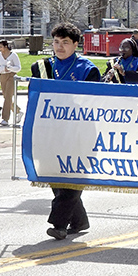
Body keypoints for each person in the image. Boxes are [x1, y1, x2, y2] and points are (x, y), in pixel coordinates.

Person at [31, 22, 100, 240]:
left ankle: (59, 224)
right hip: (51, 132)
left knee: (72, 176)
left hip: (80, 133)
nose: (59, 47)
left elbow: (94, 102)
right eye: (56, 42)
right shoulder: (43, 67)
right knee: (56, 176)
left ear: (76, 44)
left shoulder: (87, 69)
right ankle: (79, 221)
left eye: (65, 43)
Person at [0, 39, 22, 126]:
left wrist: (10, 68)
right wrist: (3, 68)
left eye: (1, 47)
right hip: (3, 76)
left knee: (8, 97)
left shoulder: (13, 55)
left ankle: (5, 118)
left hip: (11, 76)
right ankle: (18, 111)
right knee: (6, 96)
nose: (0, 49)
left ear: (6, 46)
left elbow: (18, 67)